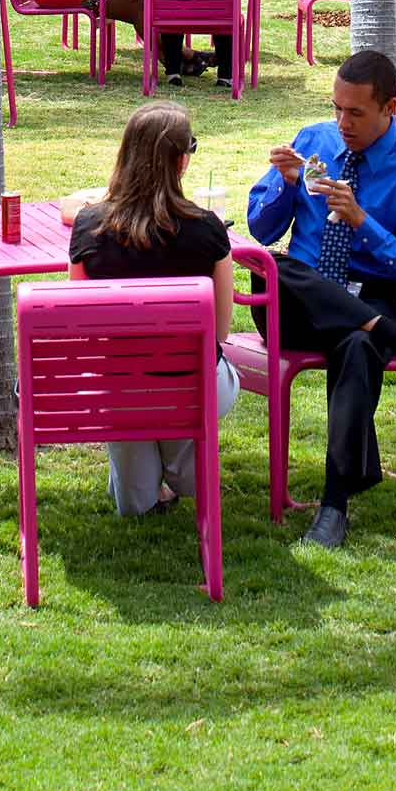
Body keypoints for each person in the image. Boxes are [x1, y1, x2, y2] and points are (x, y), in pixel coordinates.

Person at [246, 48, 396, 551]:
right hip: (297, 298)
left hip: (369, 298)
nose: (342, 122)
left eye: (356, 112)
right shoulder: (312, 141)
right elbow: (260, 228)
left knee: (359, 348)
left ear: (389, 108)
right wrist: (286, 186)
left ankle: (333, 508)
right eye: (337, 108)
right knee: (281, 266)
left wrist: (365, 224)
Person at [68, 102, 240, 516]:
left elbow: (81, 323)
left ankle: (153, 479)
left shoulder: (89, 228)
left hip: (120, 387)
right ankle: (179, 471)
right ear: (182, 162)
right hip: (192, 382)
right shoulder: (209, 230)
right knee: (190, 455)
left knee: (134, 505)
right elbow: (220, 332)